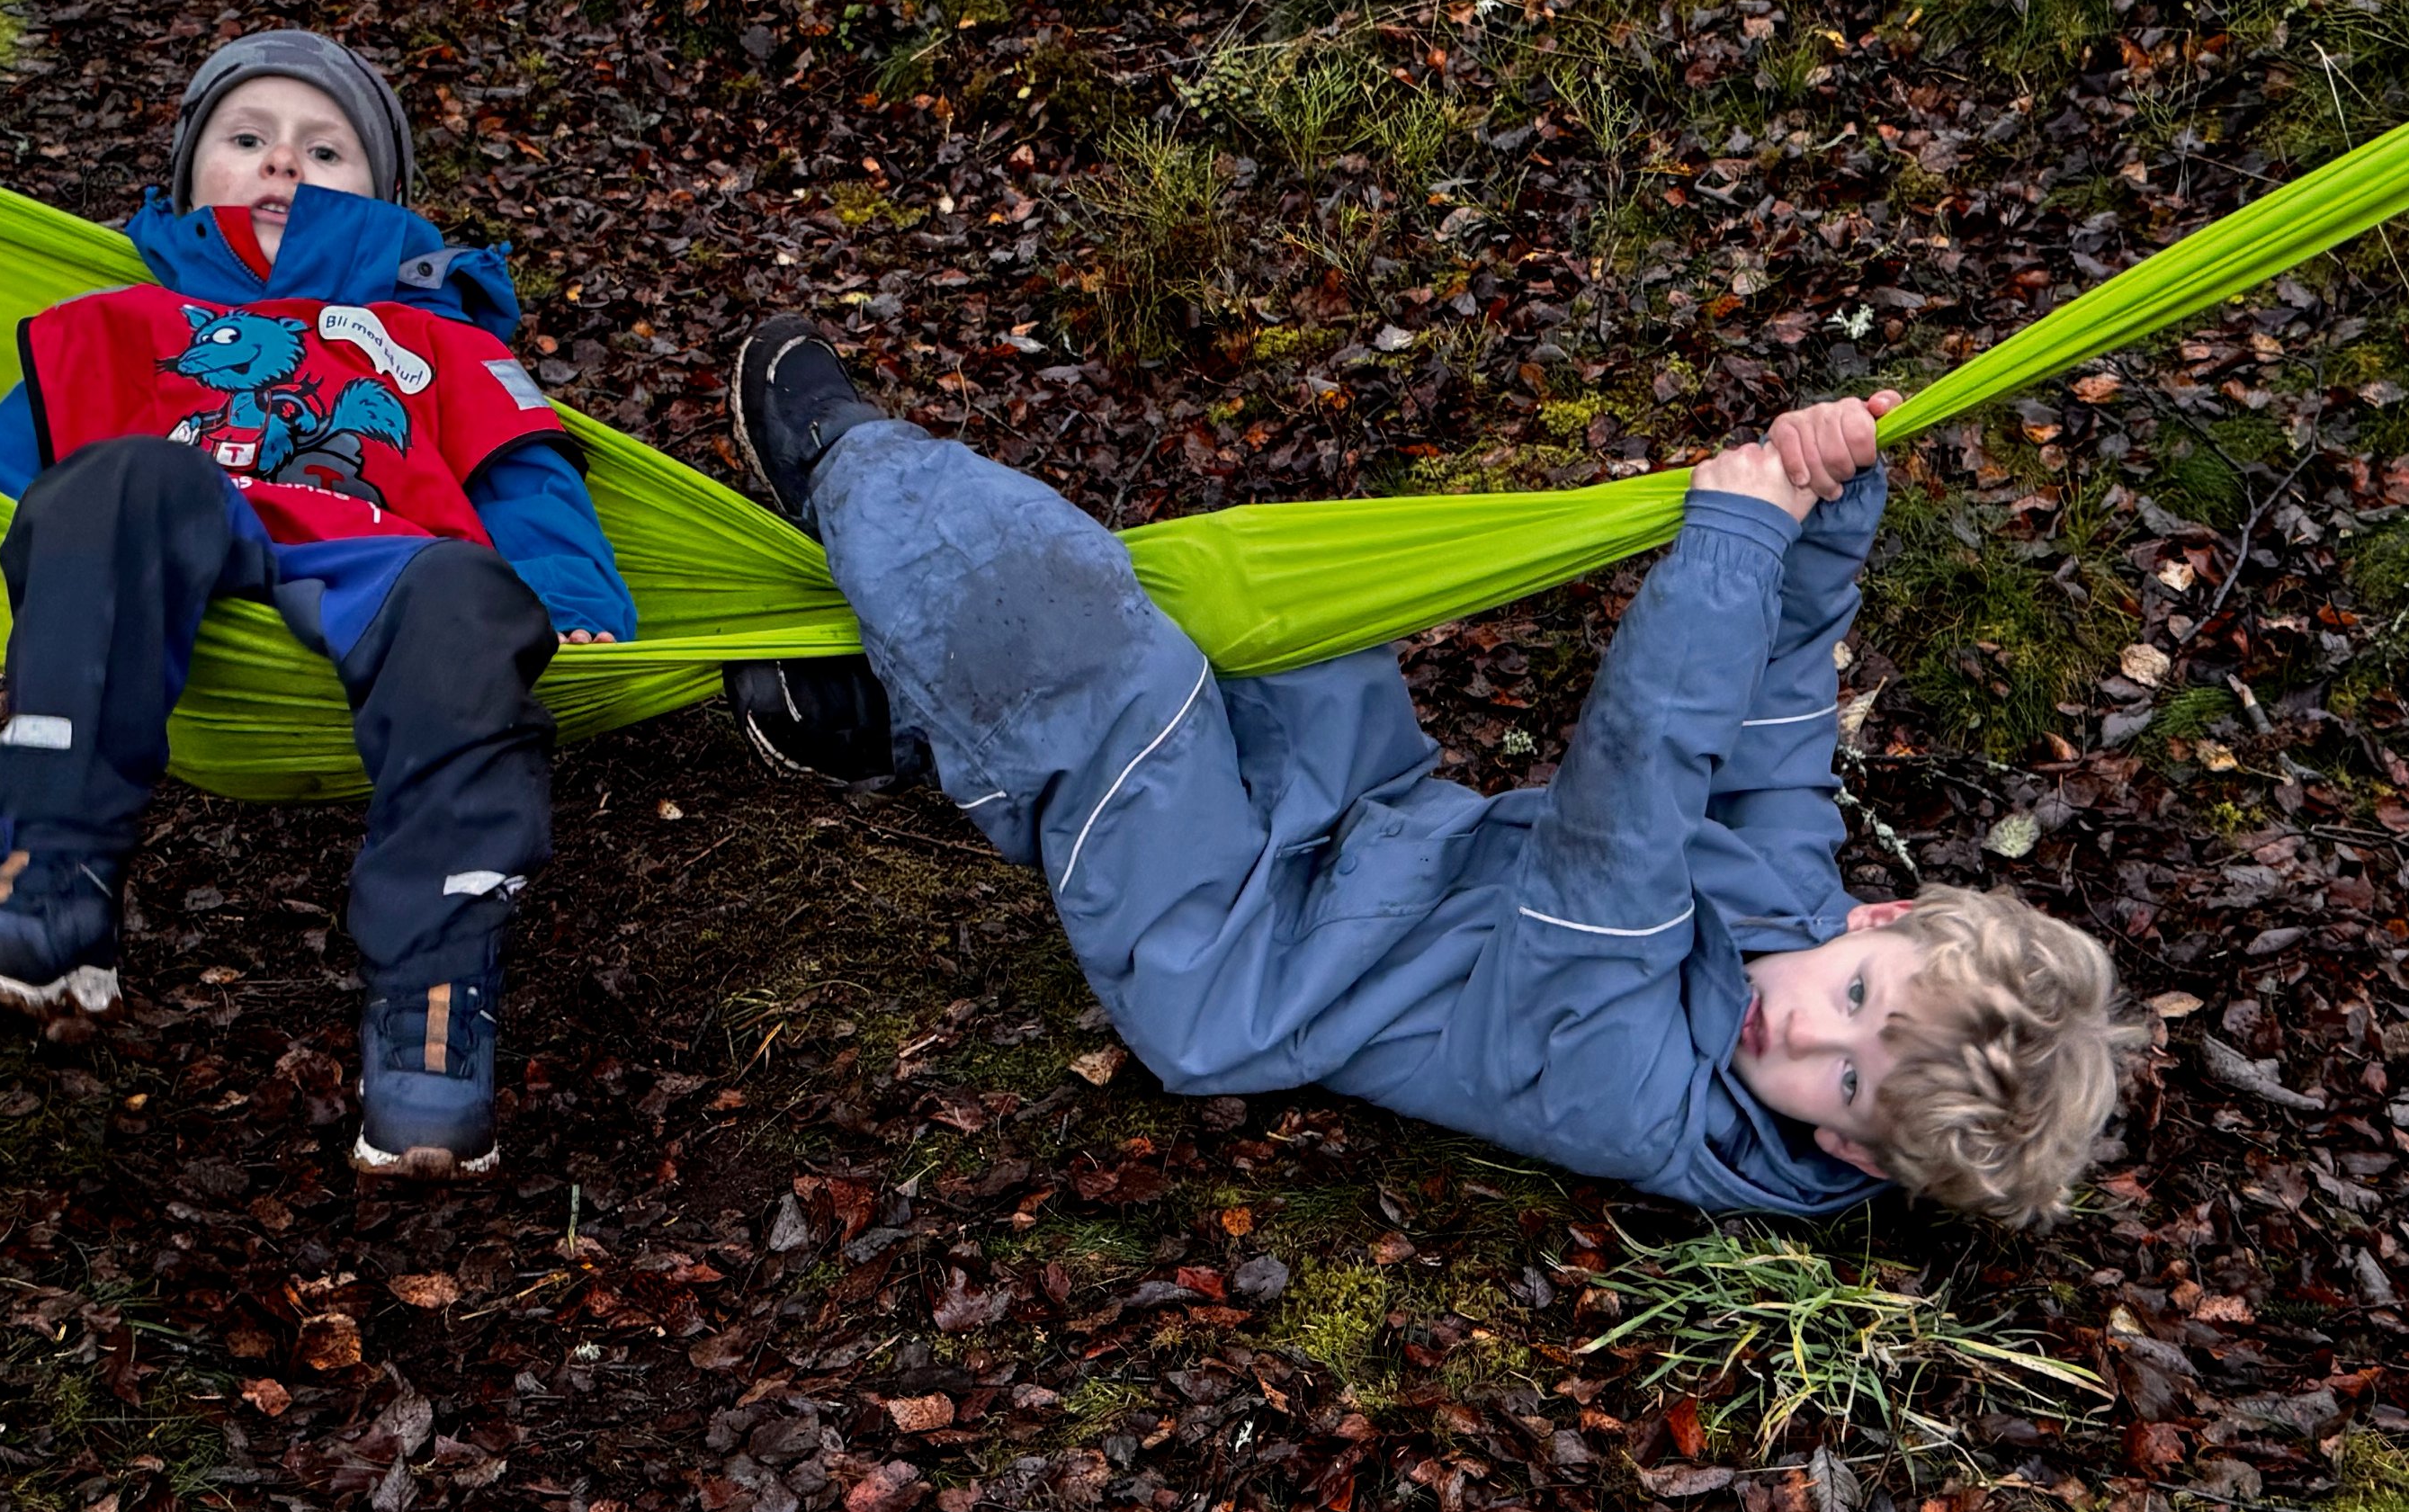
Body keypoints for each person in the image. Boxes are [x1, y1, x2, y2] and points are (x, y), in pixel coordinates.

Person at [716, 318, 2140, 1225]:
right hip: (1371, 828)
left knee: (1126, 690)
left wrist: (1729, 544)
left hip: (1238, 952)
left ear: (1854, 1161)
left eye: (1840, 1088)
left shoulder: (1637, 1098)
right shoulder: (1792, 906)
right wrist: (1824, 508)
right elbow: (1770, 724)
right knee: (1285, 617)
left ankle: (861, 474)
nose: (1799, 1043)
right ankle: (889, 719)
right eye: (1851, 1006)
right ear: (1877, 924)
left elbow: (1626, 823)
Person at [0, 28, 638, 1181]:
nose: (283, 166)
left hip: (382, 554)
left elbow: (525, 482)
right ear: (187, 178)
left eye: (324, 150)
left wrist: (579, 605)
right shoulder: (112, 320)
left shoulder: (438, 336)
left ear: (382, 197)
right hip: (164, 528)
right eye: (247, 140)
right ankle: (46, 887)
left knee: (469, 605)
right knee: (111, 480)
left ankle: (431, 1016)